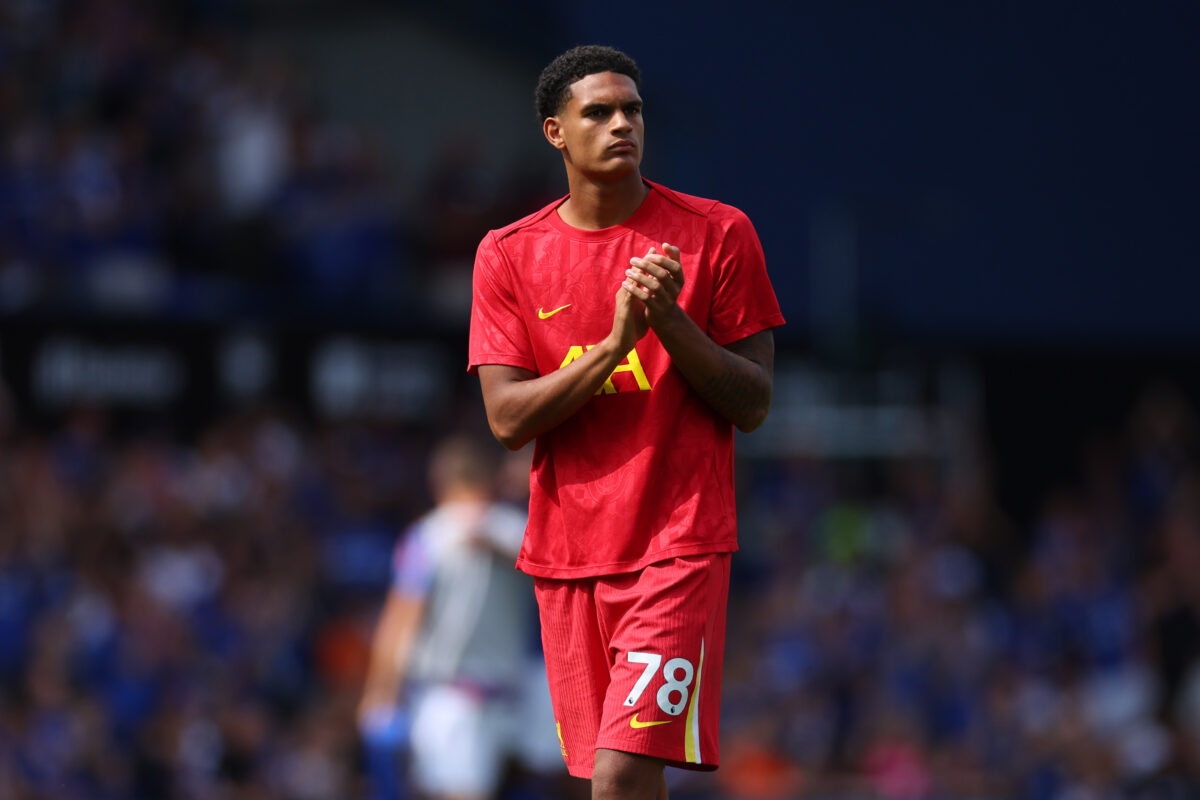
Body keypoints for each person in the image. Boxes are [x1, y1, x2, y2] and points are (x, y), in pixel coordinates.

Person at [467, 45, 785, 800]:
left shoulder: (718, 235)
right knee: (614, 783)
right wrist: (615, 347)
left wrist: (669, 322)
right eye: (598, 112)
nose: (622, 125)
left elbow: (755, 403)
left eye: (633, 110)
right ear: (555, 132)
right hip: (565, 557)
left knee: (618, 775)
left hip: (678, 545)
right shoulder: (508, 256)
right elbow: (507, 420)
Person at [357, 435, 563, 800]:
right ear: (489, 478)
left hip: (451, 699)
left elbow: (400, 622)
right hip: (517, 698)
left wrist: (379, 692)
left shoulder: (428, 537)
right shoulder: (520, 529)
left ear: (439, 482)